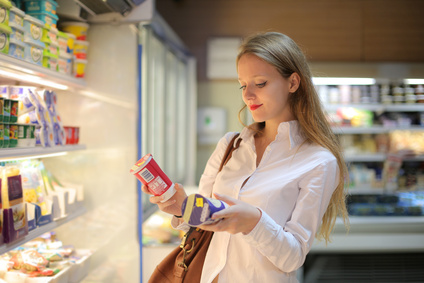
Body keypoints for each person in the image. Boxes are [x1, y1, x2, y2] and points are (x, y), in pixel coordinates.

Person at [142, 31, 349, 283]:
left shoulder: (318, 161)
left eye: (260, 83)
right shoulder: (230, 144)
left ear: (293, 83)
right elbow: (201, 224)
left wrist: (254, 222)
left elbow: (293, 257)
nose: (248, 95)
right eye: (243, 85)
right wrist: (181, 209)